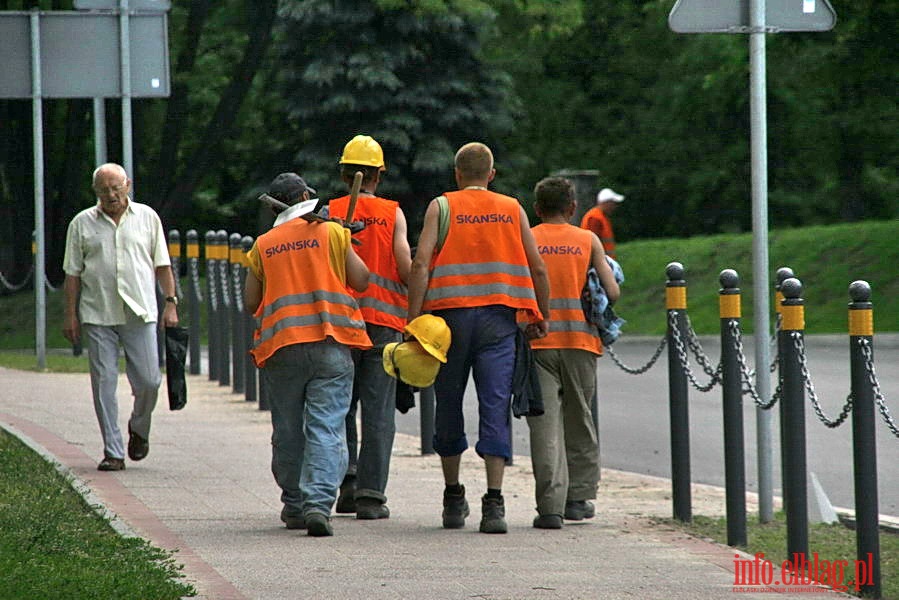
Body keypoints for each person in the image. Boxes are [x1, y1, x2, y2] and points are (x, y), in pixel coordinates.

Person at [407, 142, 550, 534]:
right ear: (491, 174)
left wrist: (413, 319)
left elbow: (420, 263)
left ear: (456, 174)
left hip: (448, 323)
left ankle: (453, 497)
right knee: (495, 403)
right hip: (499, 321)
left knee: (448, 402)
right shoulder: (512, 208)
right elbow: (537, 267)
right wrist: (542, 315)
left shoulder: (442, 206)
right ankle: (494, 504)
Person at [244, 172, 372, 537]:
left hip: (282, 349)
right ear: (305, 196)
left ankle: (295, 504)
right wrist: (343, 244)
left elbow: (251, 301)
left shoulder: (264, 244)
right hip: (330, 344)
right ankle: (318, 504)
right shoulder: (332, 232)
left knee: (288, 429)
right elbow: (361, 280)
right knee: (327, 426)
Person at [62, 162, 179, 472]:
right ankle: (113, 451)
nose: (111, 195)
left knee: (150, 382)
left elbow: (162, 265)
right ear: (96, 192)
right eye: (104, 190)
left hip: (140, 312)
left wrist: (171, 303)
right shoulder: (82, 223)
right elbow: (72, 274)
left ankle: (139, 428)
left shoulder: (147, 218)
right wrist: (70, 315)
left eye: (116, 188)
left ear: (128, 184)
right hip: (98, 312)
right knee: (104, 384)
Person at [525, 176, 620, 529]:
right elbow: (611, 292)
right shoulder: (587, 240)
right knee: (579, 418)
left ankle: (550, 505)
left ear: (537, 209)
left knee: (544, 426)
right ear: (573, 207)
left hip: (538, 342)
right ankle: (578, 499)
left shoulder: (528, 239)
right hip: (580, 342)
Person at [327, 135, 412, 520]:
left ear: (345, 173)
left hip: (341, 323)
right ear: (380, 173)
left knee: (342, 407)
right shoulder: (394, 214)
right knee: (378, 412)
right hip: (383, 324)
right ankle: (371, 496)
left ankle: (345, 484)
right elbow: (406, 267)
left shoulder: (328, 211)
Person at [579, 187, 624, 259]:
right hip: (599, 264)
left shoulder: (602, 216)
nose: (615, 207)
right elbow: (593, 245)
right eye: (613, 203)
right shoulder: (595, 218)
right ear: (606, 203)